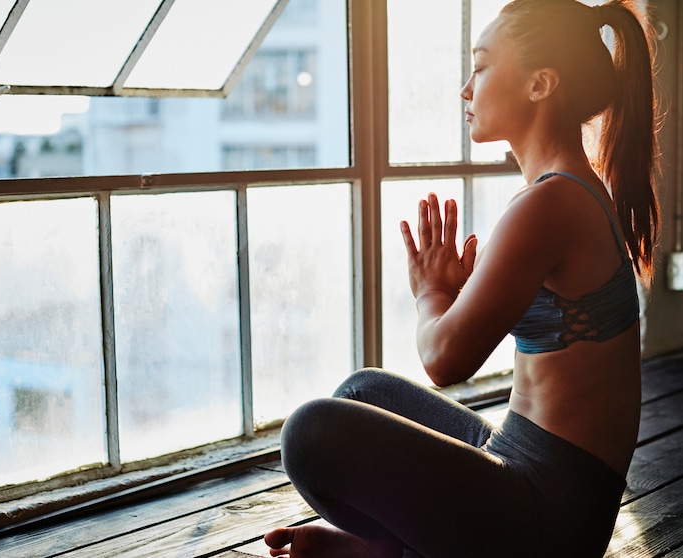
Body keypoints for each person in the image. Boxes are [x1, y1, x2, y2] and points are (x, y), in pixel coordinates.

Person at [265, 0, 659, 555]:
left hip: (550, 520)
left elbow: (445, 360)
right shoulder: (572, 189)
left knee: (311, 433)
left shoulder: (549, 205)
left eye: (481, 66)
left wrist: (432, 293)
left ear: (540, 84)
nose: (465, 88)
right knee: (362, 392)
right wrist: (464, 294)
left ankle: (390, 550)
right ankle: (389, 546)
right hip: (522, 462)